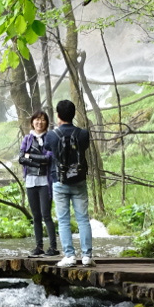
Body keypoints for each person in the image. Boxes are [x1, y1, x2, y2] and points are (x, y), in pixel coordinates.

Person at [46, 100, 94, 267]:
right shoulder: (83, 134)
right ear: (74, 114)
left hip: (60, 181)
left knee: (64, 220)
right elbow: (84, 147)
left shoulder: (52, 135)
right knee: (83, 219)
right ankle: (87, 256)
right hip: (79, 181)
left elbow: (48, 148)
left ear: (58, 115)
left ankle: (70, 255)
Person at [18, 111, 59, 257]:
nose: (39, 122)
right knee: (36, 216)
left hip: (45, 182)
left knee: (46, 215)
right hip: (30, 180)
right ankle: (38, 247)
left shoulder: (50, 137)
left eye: (42, 120)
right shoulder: (27, 138)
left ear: (46, 123)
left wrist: (30, 156)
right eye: (37, 120)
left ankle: (53, 247)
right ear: (32, 122)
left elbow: (48, 159)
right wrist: (37, 158)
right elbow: (21, 158)